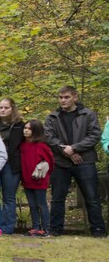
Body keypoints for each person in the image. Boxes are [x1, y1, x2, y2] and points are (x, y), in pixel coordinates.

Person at [44, 86, 106, 237]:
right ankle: (55, 230)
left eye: (66, 97)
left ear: (75, 97)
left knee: (92, 197)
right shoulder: (53, 117)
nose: (63, 100)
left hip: (84, 161)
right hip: (60, 162)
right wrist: (68, 153)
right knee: (58, 198)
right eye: (60, 97)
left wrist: (75, 148)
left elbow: (94, 135)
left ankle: (98, 231)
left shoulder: (88, 114)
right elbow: (49, 138)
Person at [19, 119, 53, 237]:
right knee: (32, 205)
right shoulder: (22, 145)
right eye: (25, 128)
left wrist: (43, 174)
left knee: (41, 204)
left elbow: (50, 162)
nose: (26, 130)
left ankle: (45, 229)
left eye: (29, 129)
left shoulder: (41, 145)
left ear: (36, 131)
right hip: (26, 179)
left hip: (39, 180)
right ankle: (35, 227)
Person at [0, 98, 24, 234]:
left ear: (12, 109)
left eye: (6, 107)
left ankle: (7, 227)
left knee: (9, 196)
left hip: (11, 164)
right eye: (0, 107)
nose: (3, 110)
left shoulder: (20, 125)